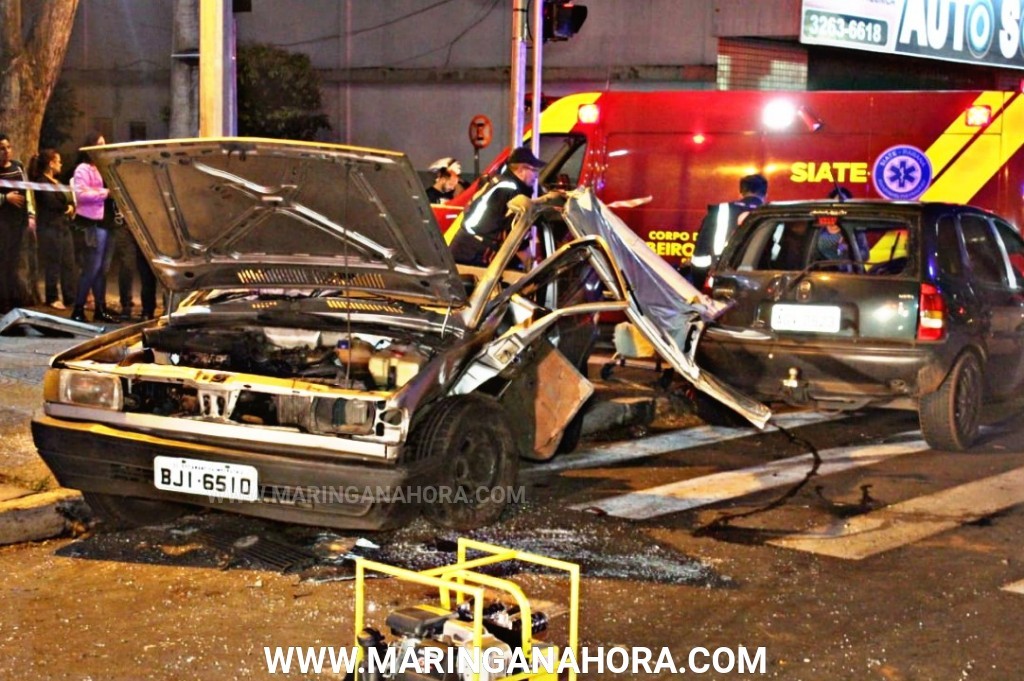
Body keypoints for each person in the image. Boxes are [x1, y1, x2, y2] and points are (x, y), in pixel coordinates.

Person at [449, 146, 561, 267]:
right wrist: (532, 264)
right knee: (513, 277)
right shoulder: (511, 190)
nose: (536, 176)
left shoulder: (502, 181)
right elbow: (514, 232)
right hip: (476, 251)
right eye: (534, 170)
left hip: (466, 246)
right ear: (522, 169)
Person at [69, 131, 118, 323]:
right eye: (99, 144)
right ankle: (78, 308)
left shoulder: (104, 167)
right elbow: (81, 195)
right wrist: (106, 193)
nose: (103, 148)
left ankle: (100, 308)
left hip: (107, 222)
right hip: (92, 223)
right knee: (92, 267)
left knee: (102, 269)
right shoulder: (82, 169)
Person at [689, 173, 768, 287]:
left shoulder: (720, 211)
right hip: (760, 281)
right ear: (765, 193)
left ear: (741, 192)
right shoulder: (772, 214)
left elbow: (701, 251)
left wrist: (699, 282)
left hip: (721, 278)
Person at [29, 149, 76, 310]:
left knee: (68, 263)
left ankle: (70, 296)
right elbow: (51, 203)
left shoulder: (56, 181)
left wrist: (71, 206)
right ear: (51, 163)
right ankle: (52, 297)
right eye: (58, 161)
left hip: (63, 226)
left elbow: (68, 198)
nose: (61, 164)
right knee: (53, 264)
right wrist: (66, 207)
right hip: (49, 228)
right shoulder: (42, 182)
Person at [0, 133, 34, 314]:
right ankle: (3, 302)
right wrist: (6, 198)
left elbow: (28, 191)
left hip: (18, 223)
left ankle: (16, 299)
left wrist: (30, 215)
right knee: (3, 262)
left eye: (8, 147)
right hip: (2, 223)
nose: (6, 152)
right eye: (1, 148)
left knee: (15, 262)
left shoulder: (18, 167)